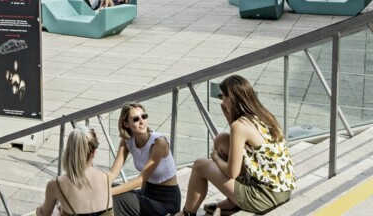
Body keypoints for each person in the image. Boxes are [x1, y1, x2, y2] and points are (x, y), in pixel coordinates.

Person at [181, 75, 295, 216]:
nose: (222, 101)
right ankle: (233, 202)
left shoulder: (240, 126)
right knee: (221, 140)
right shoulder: (264, 115)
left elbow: (232, 172)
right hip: (282, 189)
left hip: (264, 197)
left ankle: (187, 213)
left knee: (200, 165)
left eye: (222, 96)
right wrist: (229, 118)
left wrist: (216, 158)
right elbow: (242, 145)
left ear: (232, 98)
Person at [108, 103, 182, 216]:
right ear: (126, 123)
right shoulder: (127, 141)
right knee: (112, 186)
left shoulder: (159, 143)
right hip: (145, 194)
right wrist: (100, 186)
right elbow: (113, 172)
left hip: (166, 203)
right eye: (136, 119)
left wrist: (108, 193)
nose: (142, 121)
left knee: (118, 197)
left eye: (144, 116)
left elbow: (141, 180)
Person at [35, 126, 111, 216]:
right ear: (94, 152)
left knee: (42, 210)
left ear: (69, 150)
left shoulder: (56, 184)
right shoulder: (106, 177)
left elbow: (45, 213)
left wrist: (39, 210)